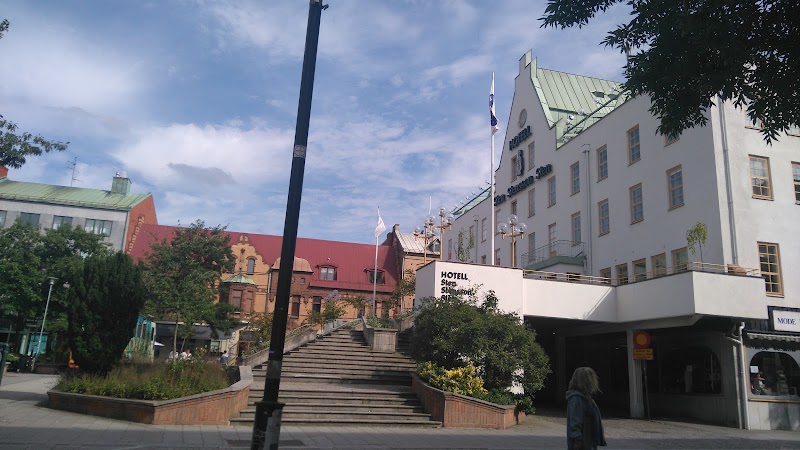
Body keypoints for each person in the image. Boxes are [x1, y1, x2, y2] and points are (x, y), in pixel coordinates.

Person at [566, 367, 607, 450]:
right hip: (582, 443)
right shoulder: (577, 398)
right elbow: (575, 421)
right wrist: (577, 440)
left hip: (589, 441)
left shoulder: (586, 397)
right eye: (591, 378)